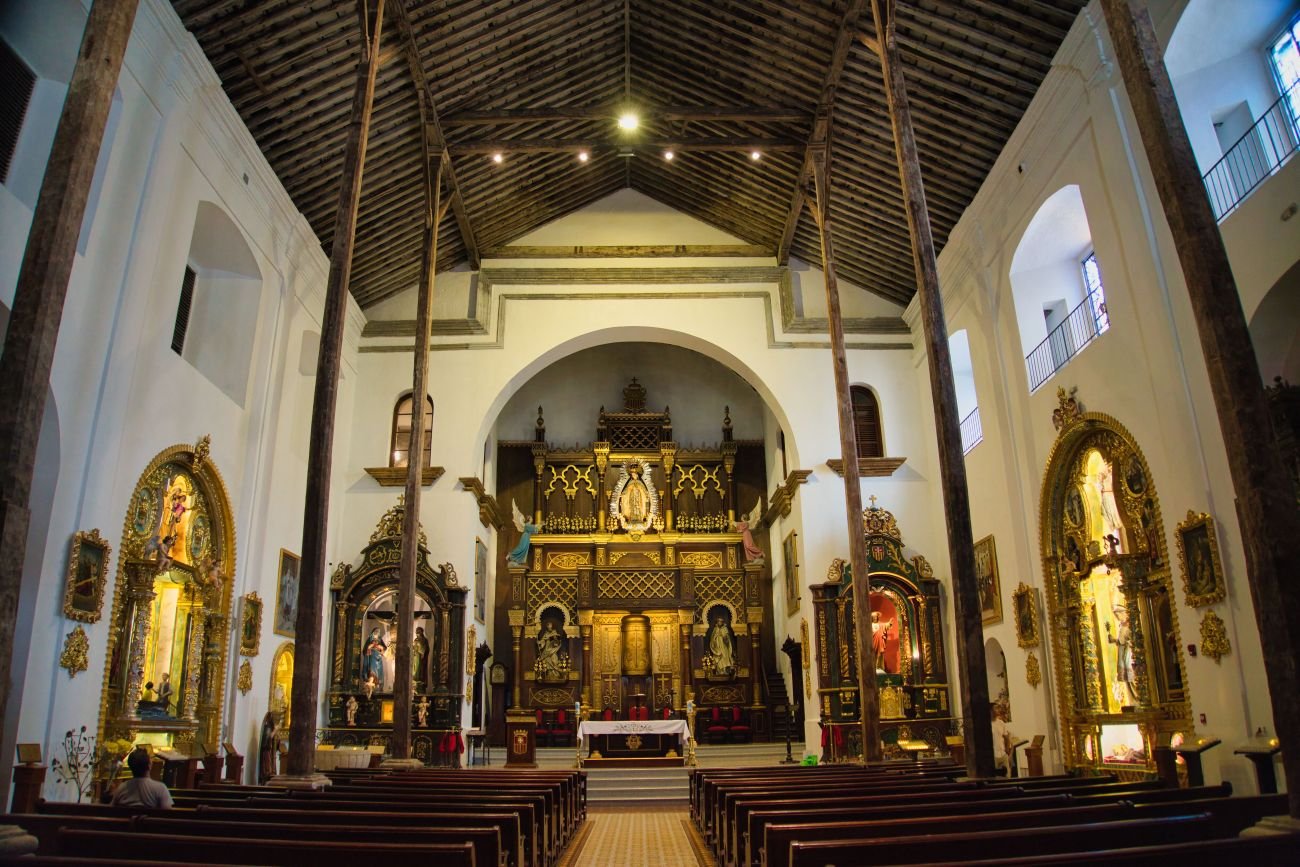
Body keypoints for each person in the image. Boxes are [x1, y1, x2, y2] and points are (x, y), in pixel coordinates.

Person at [412, 626, 430, 690]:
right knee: (414, 669)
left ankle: (420, 681)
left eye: (419, 631)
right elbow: (413, 647)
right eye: (416, 631)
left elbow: (426, 649)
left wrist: (422, 652)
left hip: (420, 658)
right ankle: (415, 680)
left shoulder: (424, 640)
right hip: (415, 657)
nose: (417, 633)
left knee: (420, 669)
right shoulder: (415, 640)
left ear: (422, 632)